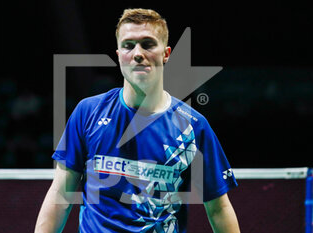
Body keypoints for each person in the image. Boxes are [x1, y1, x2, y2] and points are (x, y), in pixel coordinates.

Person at [35, 8, 240, 233]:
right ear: (118, 54)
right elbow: (60, 196)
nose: (137, 53)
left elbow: (218, 209)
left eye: (148, 44)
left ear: (166, 53)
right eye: (128, 45)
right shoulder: (88, 112)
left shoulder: (194, 126)